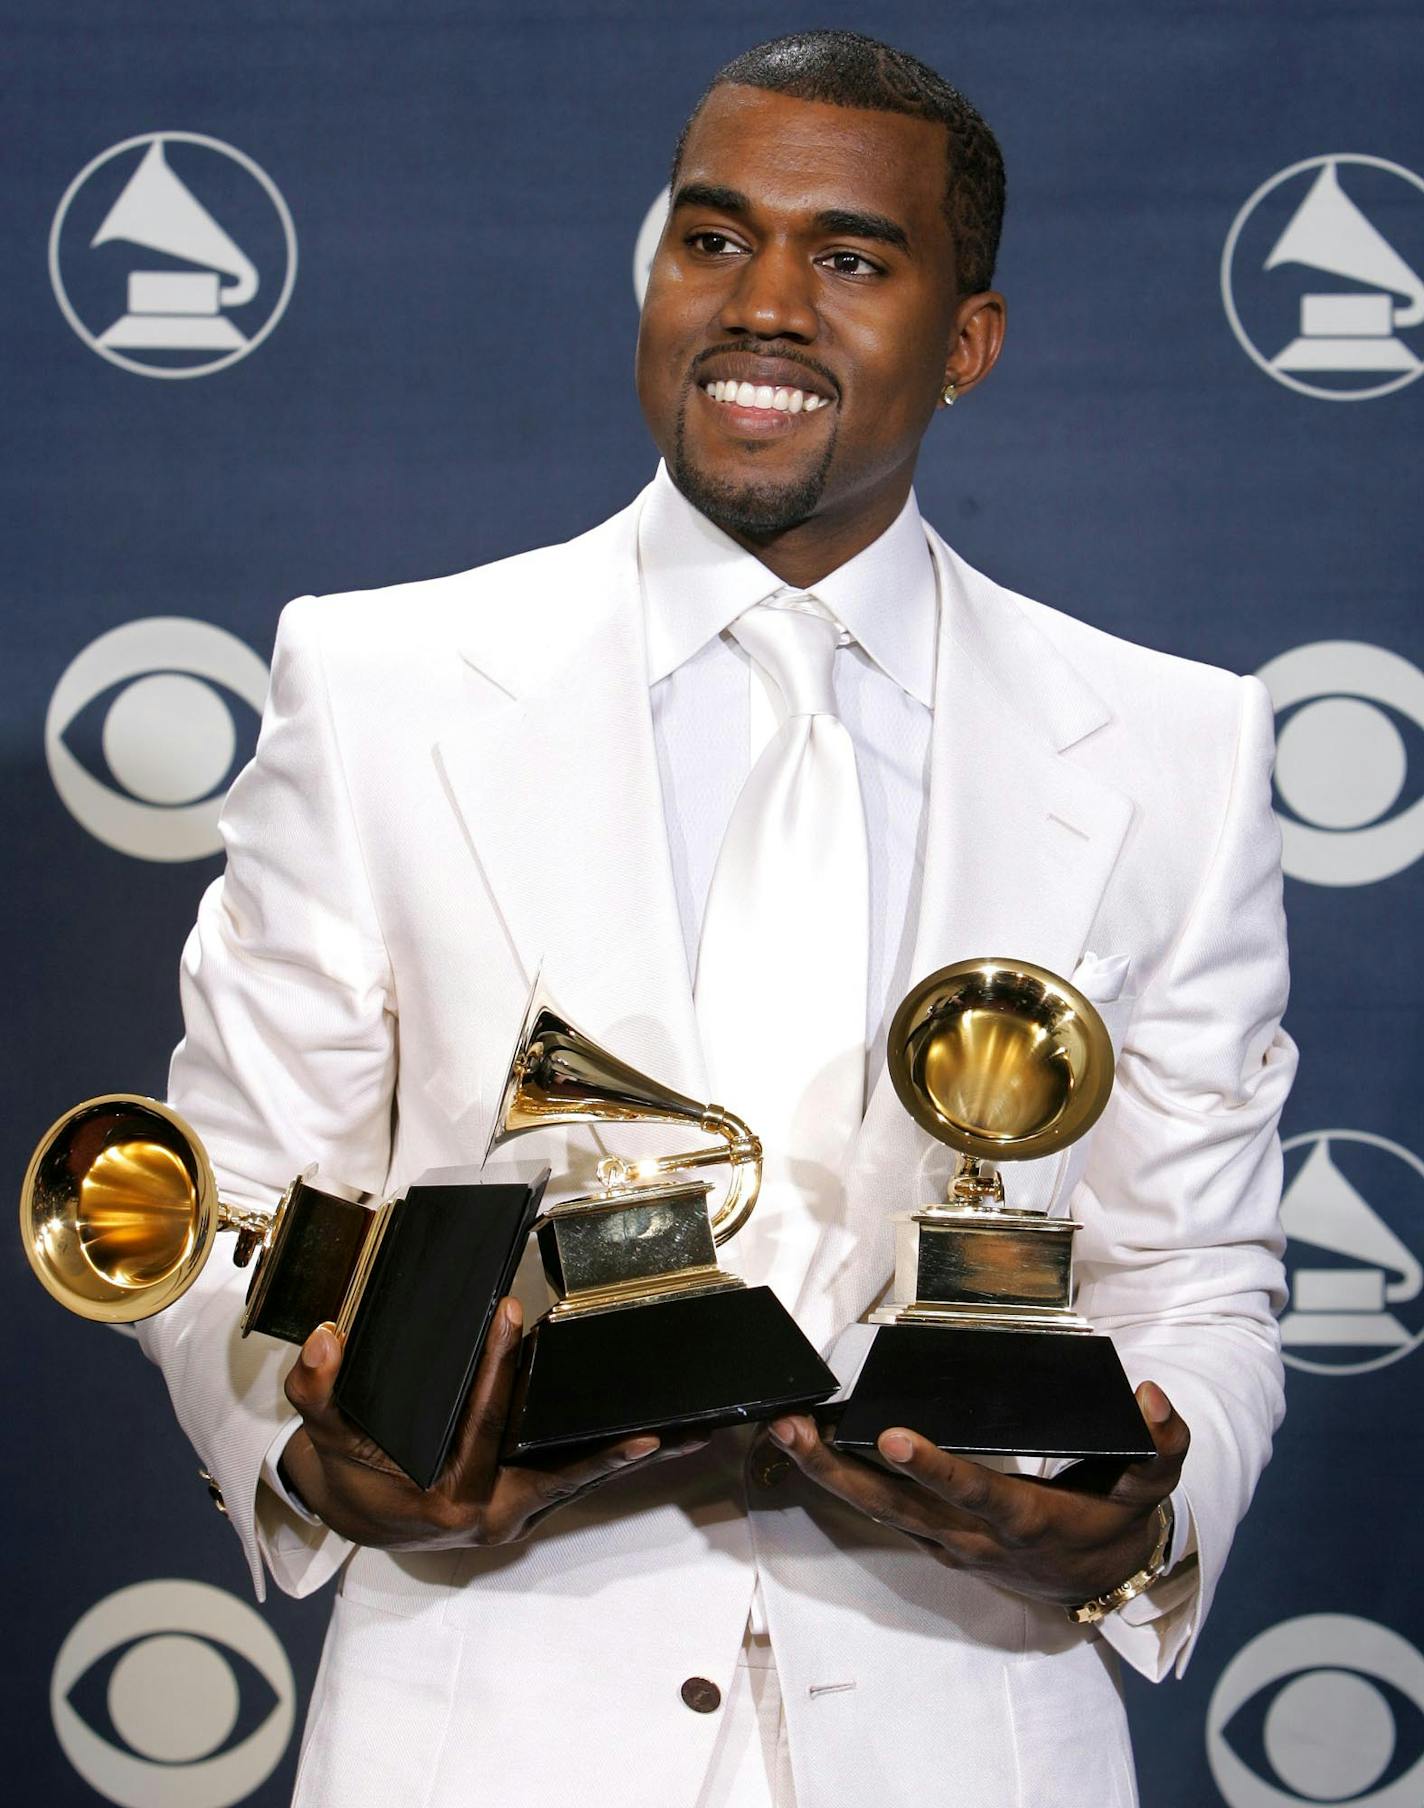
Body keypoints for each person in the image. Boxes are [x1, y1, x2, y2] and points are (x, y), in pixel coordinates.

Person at [141, 30, 1295, 1808]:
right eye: (711, 238)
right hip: (485, 1731)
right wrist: (312, 1463)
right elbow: (229, 1199)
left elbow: (1199, 1274)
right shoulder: (374, 685)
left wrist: (1135, 1522)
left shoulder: (1177, 748)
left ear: (966, 342)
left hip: (971, 1730)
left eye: (851, 257)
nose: (763, 305)